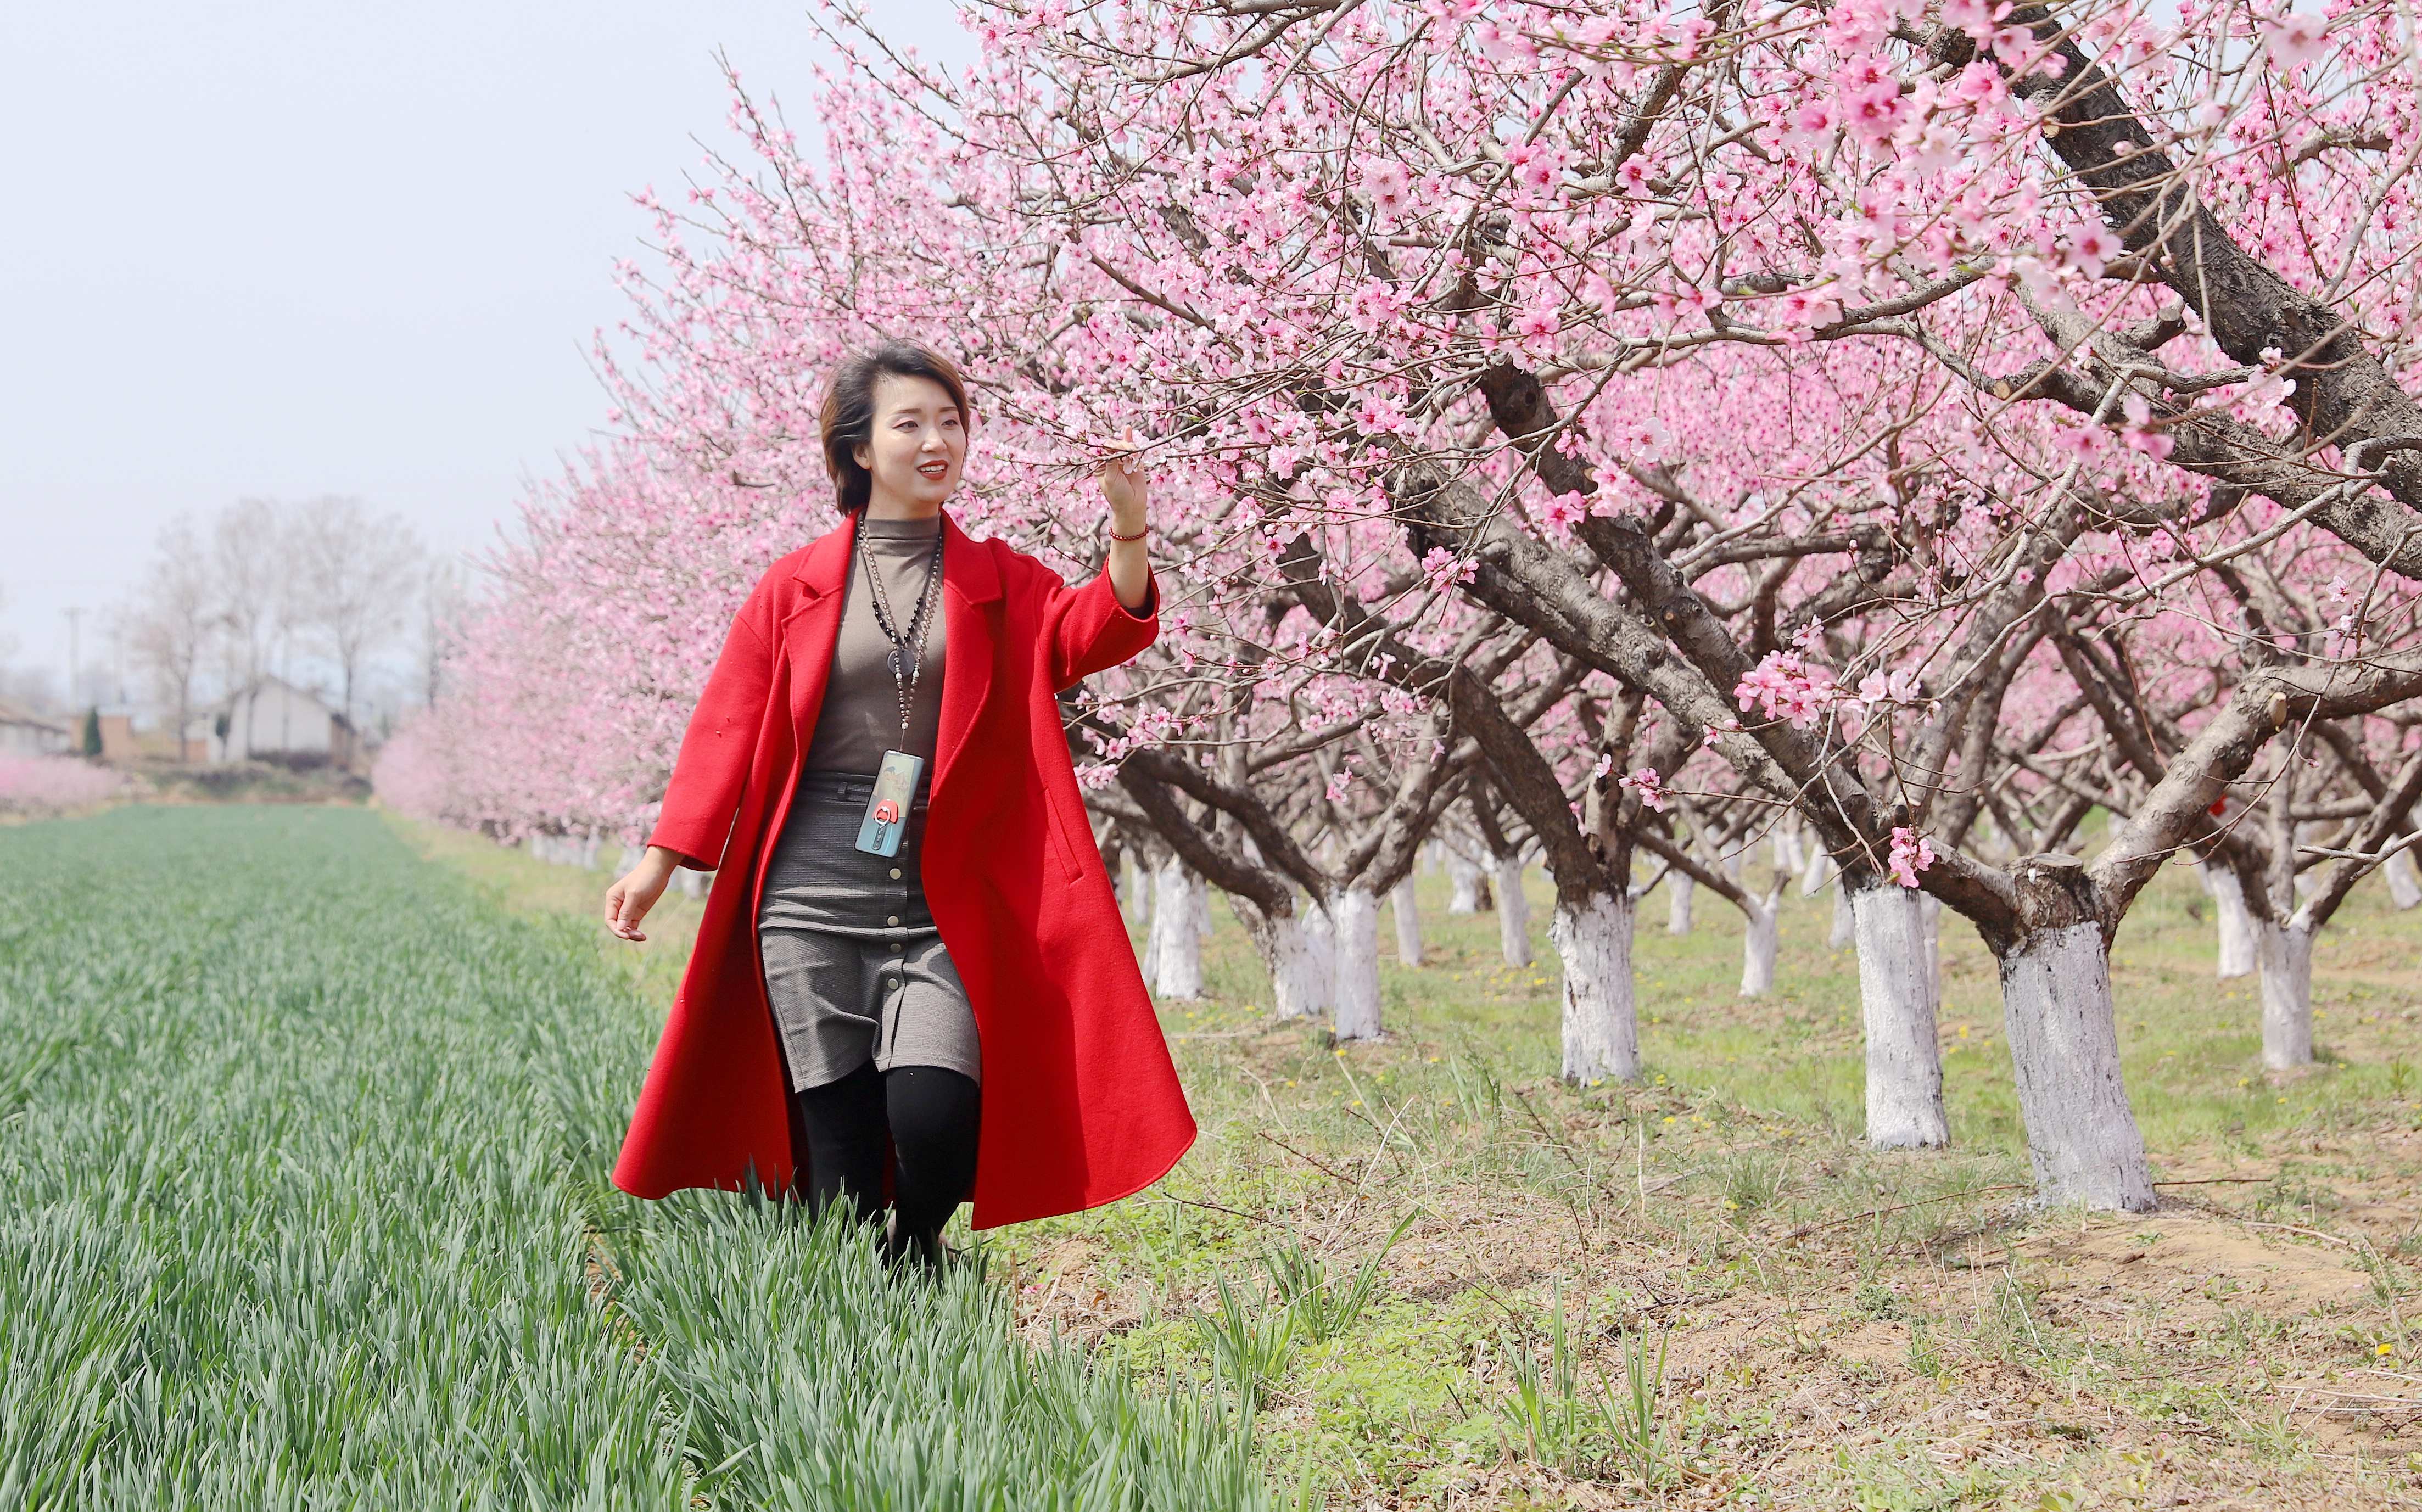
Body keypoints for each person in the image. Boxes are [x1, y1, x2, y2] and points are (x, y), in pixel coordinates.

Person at [598, 339, 1194, 1270]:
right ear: (861, 449)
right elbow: (727, 726)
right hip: (809, 890)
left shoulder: (1001, 579)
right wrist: (659, 861)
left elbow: (1094, 631)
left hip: (941, 889)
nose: (936, 441)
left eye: (951, 421)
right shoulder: (793, 586)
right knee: (835, 1161)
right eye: (909, 423)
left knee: (936, 1118)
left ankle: (916, 1247)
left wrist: (1129, 529)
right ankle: (863, 1323)